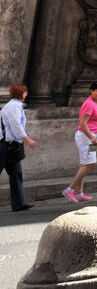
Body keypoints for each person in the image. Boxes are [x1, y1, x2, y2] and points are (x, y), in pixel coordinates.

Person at [65, 80, 97, 202]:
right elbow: (83, 123)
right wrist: (92, 137)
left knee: (85, 164)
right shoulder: (89, 104)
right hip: (87, 137)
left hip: (93, 137)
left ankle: (79, 193)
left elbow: (93, 118)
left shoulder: (95, 103)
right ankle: (70, 189)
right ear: (91, 91)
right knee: (90, 163)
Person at [1, 84, 36, 212]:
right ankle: (18, 203)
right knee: (16, 174)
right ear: (20, 93)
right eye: (25, 92)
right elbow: (16, 126)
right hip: (5, 145)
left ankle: (19, 203)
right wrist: (28, 140)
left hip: (10, 145)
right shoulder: (14, 107)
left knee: (16, 174)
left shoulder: (14, 106)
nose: (26, 94)